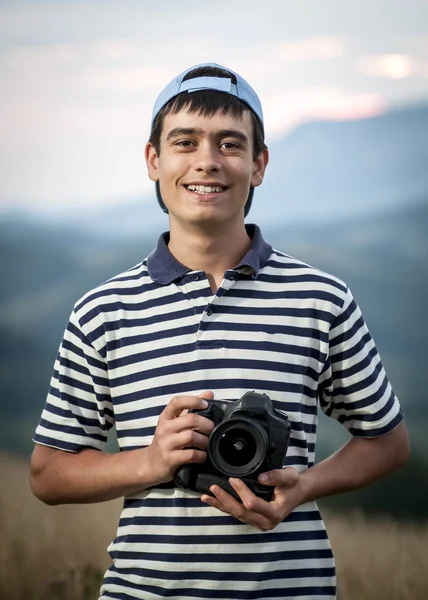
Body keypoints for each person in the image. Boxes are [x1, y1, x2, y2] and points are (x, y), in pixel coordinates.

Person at [30, 62, 410, 600]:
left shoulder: (322, 300)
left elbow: (388, 443)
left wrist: (304, 486)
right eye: (185, 141)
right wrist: (150, 461)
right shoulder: (102, 311)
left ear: (259, 165)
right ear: (153, 160)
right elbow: (47, 475)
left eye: (230, 144)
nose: (207, 162)